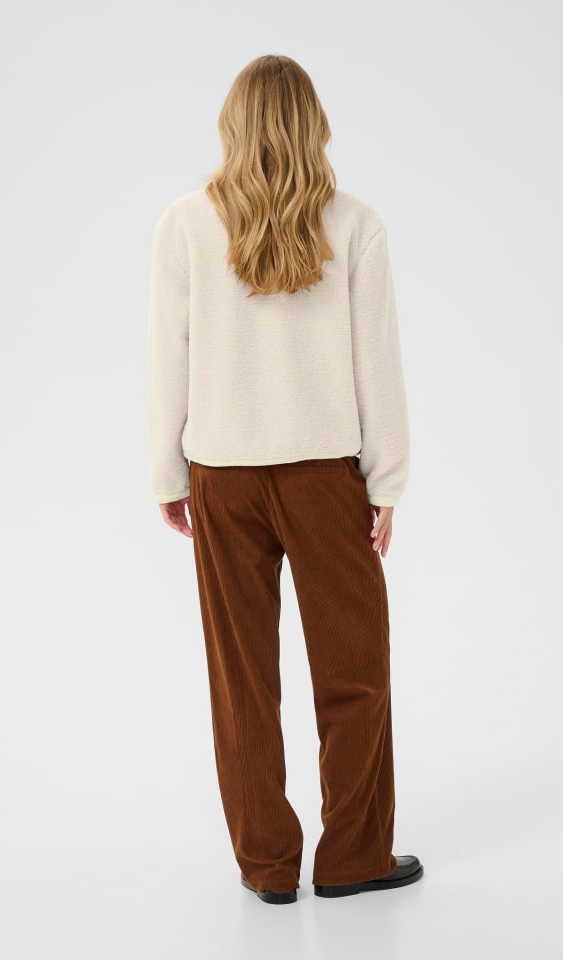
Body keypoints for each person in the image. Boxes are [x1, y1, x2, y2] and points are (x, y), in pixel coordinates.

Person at [147, 53, 423, 905]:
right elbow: (377, 362)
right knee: (355, 672)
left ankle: (267, 867)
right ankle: (354, 857)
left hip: (221, 478)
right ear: (313, 124)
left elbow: (168, 356)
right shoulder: (355, 222)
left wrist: (167, 470)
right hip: (324, 480)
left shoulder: (186, 223)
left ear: (232, 123)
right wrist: (386, 482)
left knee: (242, 684)